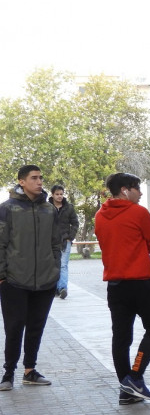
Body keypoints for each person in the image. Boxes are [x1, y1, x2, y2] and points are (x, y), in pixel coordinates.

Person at [94, 172, 150, 403]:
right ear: (125, 190)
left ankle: (126, 388)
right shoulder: (139, 212)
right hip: (141, 282)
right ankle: (135, 376)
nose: (141, 192)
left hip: (115, 285)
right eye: (137, 188)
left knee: (121, 337)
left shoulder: (99, 216)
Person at [0, 165, 60, 390]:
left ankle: (30, 371)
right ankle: (8, 374)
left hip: (44, 281)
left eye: (41, 178)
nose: (39, 182)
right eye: (34, 178)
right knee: (14, 327)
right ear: (21, 182)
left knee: (36, 326)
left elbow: (56, 243)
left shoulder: (49, 210)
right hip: (14, 281)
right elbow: (0, 244)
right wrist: (2, 276)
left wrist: (54, 270)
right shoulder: (7, 209)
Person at [49, 184, 79, 299]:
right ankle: (53, 288)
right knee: (51, 265)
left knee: (63, 265)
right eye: (57, 194)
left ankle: (62, 288)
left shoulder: (69, 207)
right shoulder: (47, 207)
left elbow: (75, 223)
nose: (59, 196)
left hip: (64, 241)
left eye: (61, 194)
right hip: (50, 241)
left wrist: (70, 237)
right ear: (52, 195)